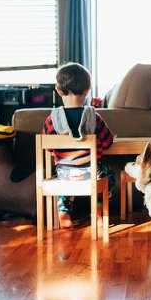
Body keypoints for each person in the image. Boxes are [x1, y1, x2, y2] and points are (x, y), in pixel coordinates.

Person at [42, 62, 115, 228]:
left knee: (63, 179)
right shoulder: (94, 118)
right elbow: (108, 142)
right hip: (91, 173)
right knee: (108, 175)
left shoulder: (51, 120)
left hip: (64, 174)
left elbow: (48, 147)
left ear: (59, 90)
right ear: (87, 91)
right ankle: (97, 208)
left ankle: (64, 210)